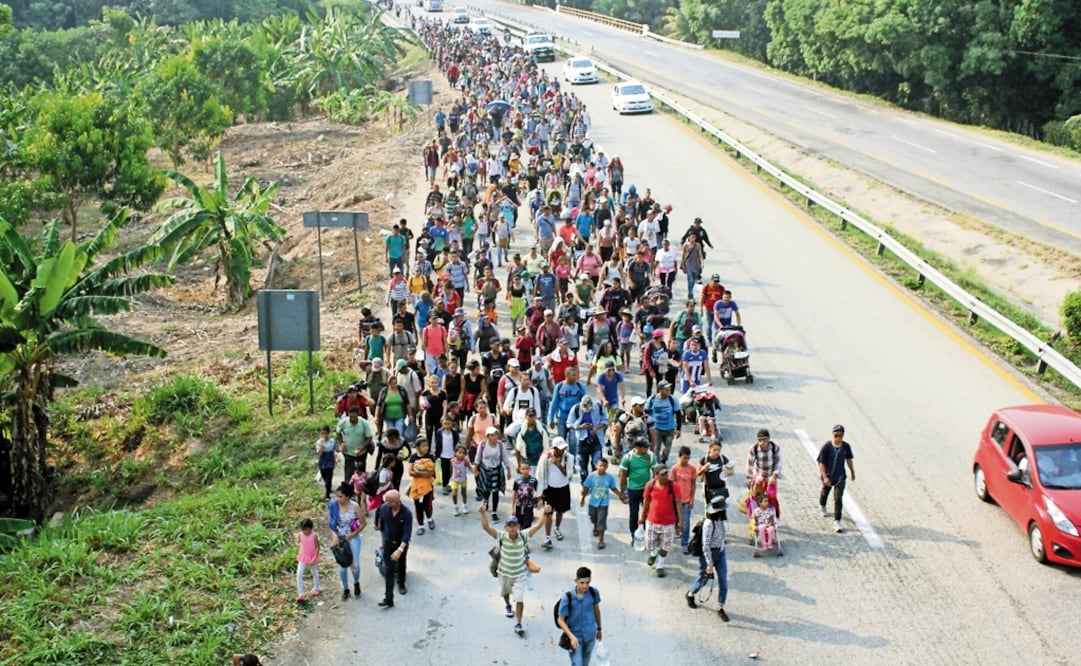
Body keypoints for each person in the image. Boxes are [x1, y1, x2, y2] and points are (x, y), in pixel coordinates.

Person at [479, 504, 549, 635]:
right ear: (505, 528)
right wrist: (483, 514)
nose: (512, 528)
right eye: (509, 526)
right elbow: (486, 527)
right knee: (505, 593)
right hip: (504, 573)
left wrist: (545, 513)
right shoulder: (501, 536)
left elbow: (538, 526)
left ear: (518, 527)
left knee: (519, 598)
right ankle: (508, 605)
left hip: (520, 574)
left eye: (514, 525)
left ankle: (518, 623)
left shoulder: (524, 535)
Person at [685, 495, 730, 622]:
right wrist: (709, 564)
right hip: (709, 554)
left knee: (723, 581)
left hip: (720, 552)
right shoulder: (709, 524)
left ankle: (721, 606)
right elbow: (705, 545)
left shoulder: (720, 521)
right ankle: (691, 593)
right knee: (703, 578)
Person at [640, 463, 683, 577]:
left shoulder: (674, 487)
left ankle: (660, 565)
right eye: (663, 474)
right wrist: (642, 516)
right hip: (652, 521)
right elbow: (646, 501)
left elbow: (678, 503)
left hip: (668, 523)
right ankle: (653, 553)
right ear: (656, 475)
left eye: (666, 473)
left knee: (665, 546)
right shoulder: (650, 485)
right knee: (650, 543)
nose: (666, 476)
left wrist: (681, 521)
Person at [557, 566, 603, 666]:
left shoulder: (593, 593)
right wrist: (571, 636)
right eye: (582, 582)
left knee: (585, 663)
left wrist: (599, 629)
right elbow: (561, 620)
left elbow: (597, 611)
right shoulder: (567, 597)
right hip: (575, 638)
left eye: (587, 582)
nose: (585, 586)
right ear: (576, 581)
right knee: (577, 663)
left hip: (590, 635)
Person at [328, 481, 365, 602]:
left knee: (355, 565)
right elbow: (331, 525)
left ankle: (356, 582)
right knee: (343, 566)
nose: (338, 499)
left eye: (341, 496)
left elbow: (363, 523)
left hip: (353, 537)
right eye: (337, 496)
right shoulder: (333, 505)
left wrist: (353, 534)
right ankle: (345, 588)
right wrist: (334, 536)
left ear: (347, 496)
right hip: (340, 539)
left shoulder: (355, 506)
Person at [377, 489, 412, 608]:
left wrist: (400, 550)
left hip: (400, 544)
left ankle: (401, 583)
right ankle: (388, 598)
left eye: (388, 501)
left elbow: (407, 534)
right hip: (388, 542)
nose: (385, 503)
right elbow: (382, 525)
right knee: (389, 569)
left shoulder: (406, 513)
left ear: (395, 502)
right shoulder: (384, 509)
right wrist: (383, 542)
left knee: (401, 563)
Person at [818, 424, 856, 533]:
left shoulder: (846, 447)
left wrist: (852, 471)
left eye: (840, 436)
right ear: (832, 434)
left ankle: (837, 520)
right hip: (828, 476)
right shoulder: (827, 446)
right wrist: (825, 476)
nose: (838, 438)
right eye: (836, 435)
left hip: (840, 477)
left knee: (838, 498)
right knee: (825, 492)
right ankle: (822, 505)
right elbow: (821, 462)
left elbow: (849, 460)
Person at [537, 437, 573, 550]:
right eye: (560, 449)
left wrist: (558, 464)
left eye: (564, 448)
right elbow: (540, 474)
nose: (562, 451)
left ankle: (557, 528)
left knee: (560, 511)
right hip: (550, 489)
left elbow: (568, 474)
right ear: (554, 448)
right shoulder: (545, 458)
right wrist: (540, 492)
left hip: (563, 488)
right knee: (548, 512)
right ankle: (547, 537)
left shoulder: (568, 457)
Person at [580, 458, 624, 550]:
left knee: (602, 521)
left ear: (607, 467)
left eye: (604, 466)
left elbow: (613, 488)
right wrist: (583, 498)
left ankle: (601, 540)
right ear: (596, 466)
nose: (602, 468)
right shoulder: (591, 476)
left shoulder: (609, 478)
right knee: (593, 517)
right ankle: (595, 526)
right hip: (593, 502)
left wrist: (620, 495)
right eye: (600, 466)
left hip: (603, 503)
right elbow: (586, 488)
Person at [619, 435, 656, 540]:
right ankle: (634, 535)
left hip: (647, 490)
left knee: (648, 513)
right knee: (634, 514)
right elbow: (623, 476)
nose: (647, 449)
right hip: (633, 490)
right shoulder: (628, 458)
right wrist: (622, 492)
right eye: (645, 447)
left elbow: (655, 473)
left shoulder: (651, 456)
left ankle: (647, 534)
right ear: (638, 447)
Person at [475, 426, 512, 522]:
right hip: (485, 469)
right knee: (486, 489)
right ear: (488, 436)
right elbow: (478, 457)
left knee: (495, 491)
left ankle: (494, 511)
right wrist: (475, 469)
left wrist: (508, 470)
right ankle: (486, 501)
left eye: (496, 434)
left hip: (496, 469)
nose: (495, 437)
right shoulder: (483, 444)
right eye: (492, 435)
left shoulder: (500, 445)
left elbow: (505, 458)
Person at [747, 428, 782, 516]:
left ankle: (772, 517)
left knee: (771, 497)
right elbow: (749, 464)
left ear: (769, 440)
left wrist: (774, 476)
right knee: (756, 497)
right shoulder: (753, 448)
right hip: (759, 475)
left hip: (771, 476)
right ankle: (754, 516)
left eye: (764, 440)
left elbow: (778, 462)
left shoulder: (775, 447)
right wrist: (750, 477)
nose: (762, 443)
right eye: (760, 440)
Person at [645, 381, 681, 465]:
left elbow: (678, 414)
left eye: (669, 390)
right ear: (660, 390)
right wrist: (647, 427)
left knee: (667, 448)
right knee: (656, 447)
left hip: (669, 429)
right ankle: (657, 465)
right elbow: (646, 412)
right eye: (666, 390)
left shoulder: (673, 400)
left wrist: (678, 429)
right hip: (656, 428)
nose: (669, 392)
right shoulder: (653, 399)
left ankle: (663, 459)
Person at [670, 446, 698, 553]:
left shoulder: (692, 469)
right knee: (675, 520)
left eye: (688, 458)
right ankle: (675, 532)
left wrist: (692, 499)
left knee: (686, 522)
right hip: (675, 501)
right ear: (679, 457)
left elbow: (693, 484)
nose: (686, 460)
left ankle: (685, 543)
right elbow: (671, 485)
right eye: (684, 458)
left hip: (686, 500)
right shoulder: (674, 470)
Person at [406, 439, 437, 535]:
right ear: (418, 447)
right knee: (418, 506)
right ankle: (420, 525)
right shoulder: (413, 457)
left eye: (427, 446)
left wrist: (419, 472)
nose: (426, 448)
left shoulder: (430, 456)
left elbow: (431, 472)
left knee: (427, 504)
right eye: (423, 446)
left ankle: (430, 519)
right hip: (416, 486)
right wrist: (423, 473)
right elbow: (410, 472)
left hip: (427, 485)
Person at [338, 406, 375, 479]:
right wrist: (342, 443)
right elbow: (338, 432)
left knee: (361, 472)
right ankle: (348, 487)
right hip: (348, 451)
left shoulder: (364, 423)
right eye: (351, 416)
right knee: (349, 472)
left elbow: (369, 437)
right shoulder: (344, 422)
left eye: (354, 417)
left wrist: (362, 448)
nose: (352, 419)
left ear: (358, 415)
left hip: (361, 452)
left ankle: (361, 487)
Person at [296, 518, 322, 602]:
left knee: (314, 572)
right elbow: (299, 541)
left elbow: (318, 547)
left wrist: (314, 558)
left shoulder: (314, 536)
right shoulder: (301, 534)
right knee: (299, 574)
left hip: (312, 556)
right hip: (303, 556)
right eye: (303, 530)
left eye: (306, 530)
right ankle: (301, 594)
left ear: (311, 528)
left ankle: (317, 587)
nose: (305, 532)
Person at [511, 461, 541, 529]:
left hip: (529, 506)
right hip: (519, 505)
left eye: (527, 469)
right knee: (518, 524)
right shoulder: (517, 481)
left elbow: (538, 492)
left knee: (527, 524)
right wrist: (512, 508)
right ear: (520, 470)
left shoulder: (533, 480)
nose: (525, 471)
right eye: (523, 469)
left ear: (530, 469)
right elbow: (514, 494)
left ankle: (525, 536)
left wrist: (539, 501)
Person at [315, 425, 337, 500]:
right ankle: (328, 488)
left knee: (328, 478)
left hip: (330, 461)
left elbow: (336, 449)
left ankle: (327, 494)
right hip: (323, 461)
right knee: (324, 476)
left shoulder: (332, 441)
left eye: (325, 433)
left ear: (328, 433)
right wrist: (321, 446)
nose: (324, 435)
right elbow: (319, 453)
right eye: (322, 433)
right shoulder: (319, 442)